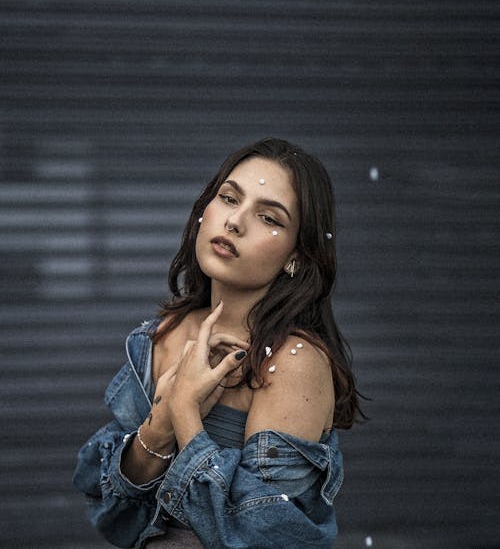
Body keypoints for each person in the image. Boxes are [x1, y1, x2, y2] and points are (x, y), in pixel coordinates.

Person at [73, 137, 363, 549]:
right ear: (204, 210)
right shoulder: (164, 333)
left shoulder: (293, 362)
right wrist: (159, 427)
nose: (235, 222)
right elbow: (110, 508)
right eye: (229, 198)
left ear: (295, 257)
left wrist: (186, 413)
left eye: (269, 218)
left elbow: (263, 537)